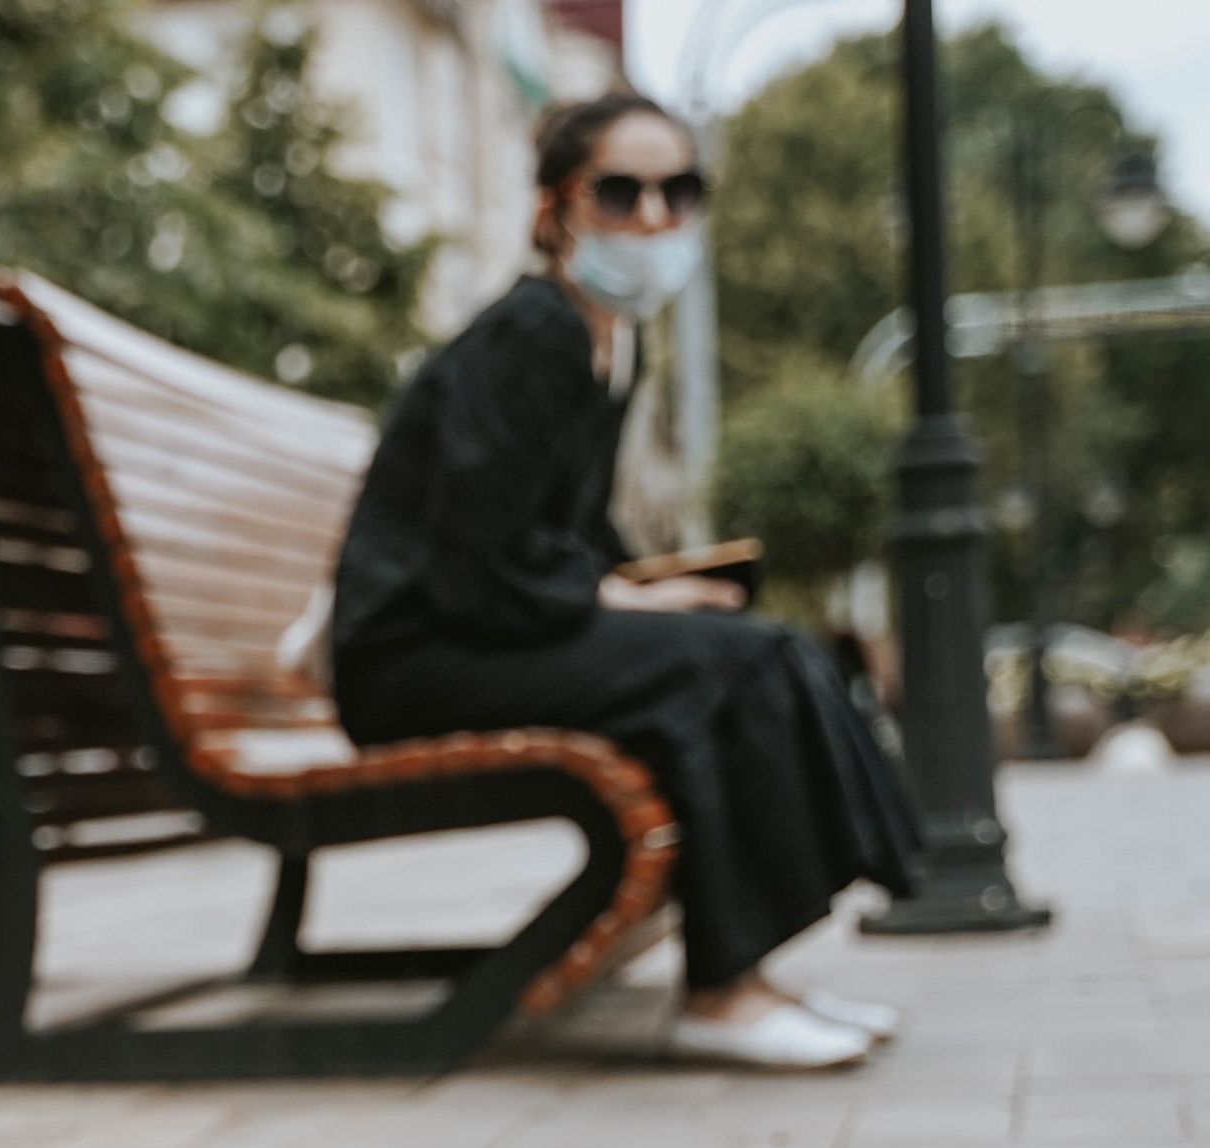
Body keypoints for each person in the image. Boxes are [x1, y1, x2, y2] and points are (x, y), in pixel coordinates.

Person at [330, 92, 921, 1069]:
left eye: (677, 191)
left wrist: (652, 584)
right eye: (619, 192)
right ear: (556, 206)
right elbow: (477, 552)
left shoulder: (611, 338)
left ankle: (744, 975)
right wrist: (624, 599)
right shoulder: (534, 331)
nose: (651, 217)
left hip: (484, 633)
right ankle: (720, 991)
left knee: (745, 647)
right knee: (722, 667)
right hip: (412, 659)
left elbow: (568, 529)